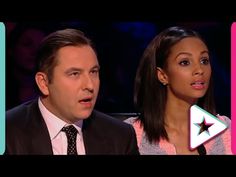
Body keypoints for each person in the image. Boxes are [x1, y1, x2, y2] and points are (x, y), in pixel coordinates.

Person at [6, 28, 139, 155]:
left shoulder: (120, 136)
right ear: (44, 83)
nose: (89, 85)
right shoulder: (6, 134)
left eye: (93, 72)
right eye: (75, 74)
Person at [125, 26, 231, 155]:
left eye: (204, 60)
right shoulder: (130, 133)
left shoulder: (225, 130)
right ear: (162, 75)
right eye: (185, 62)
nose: (200, 70)